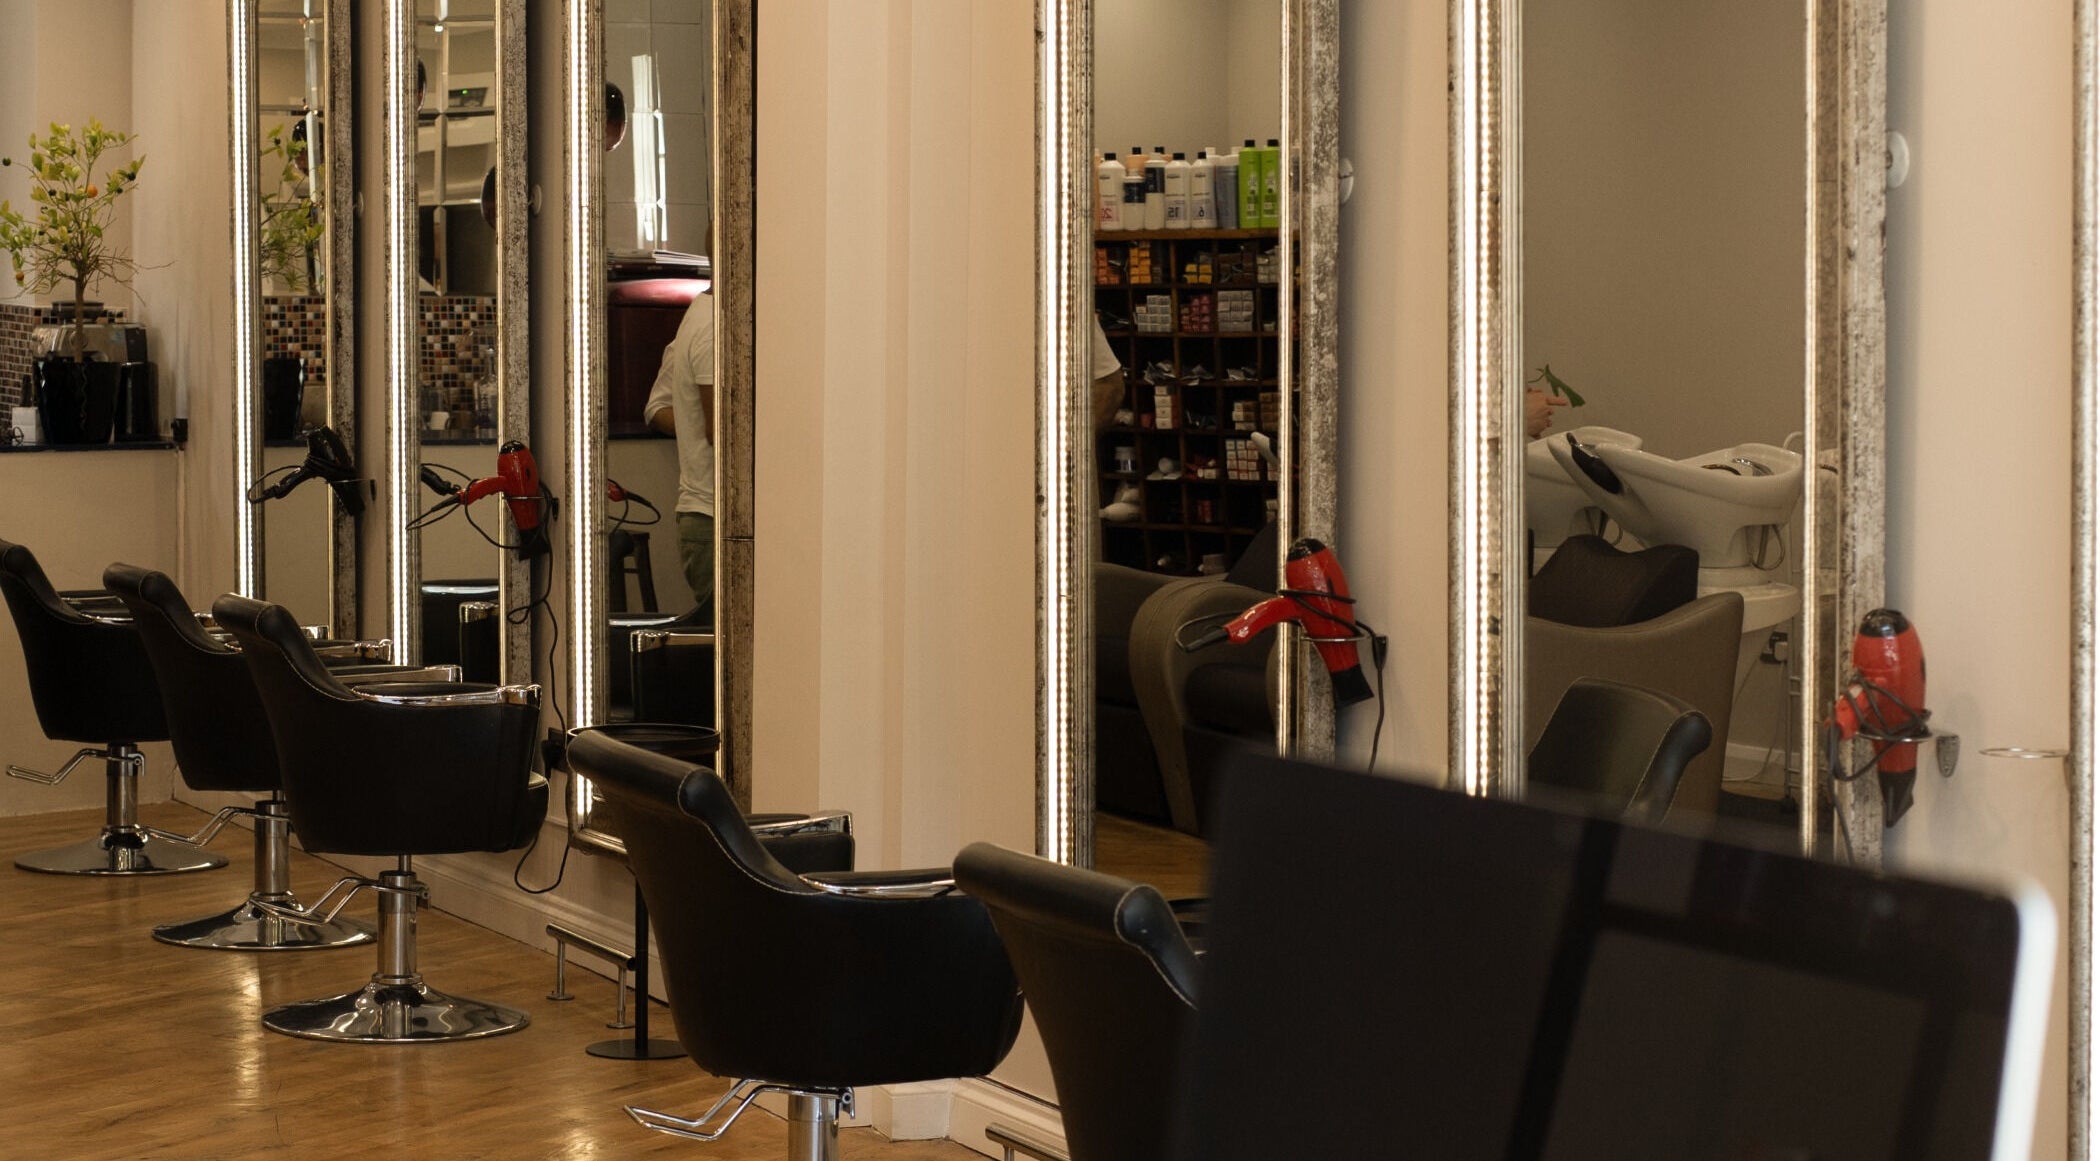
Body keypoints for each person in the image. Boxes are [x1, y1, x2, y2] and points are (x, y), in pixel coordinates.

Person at [643, 290, 717, 623]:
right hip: (711, 512)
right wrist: (694, 422)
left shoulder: (702, 318)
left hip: (707, 512)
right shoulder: (710, 326)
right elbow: (657, 408)